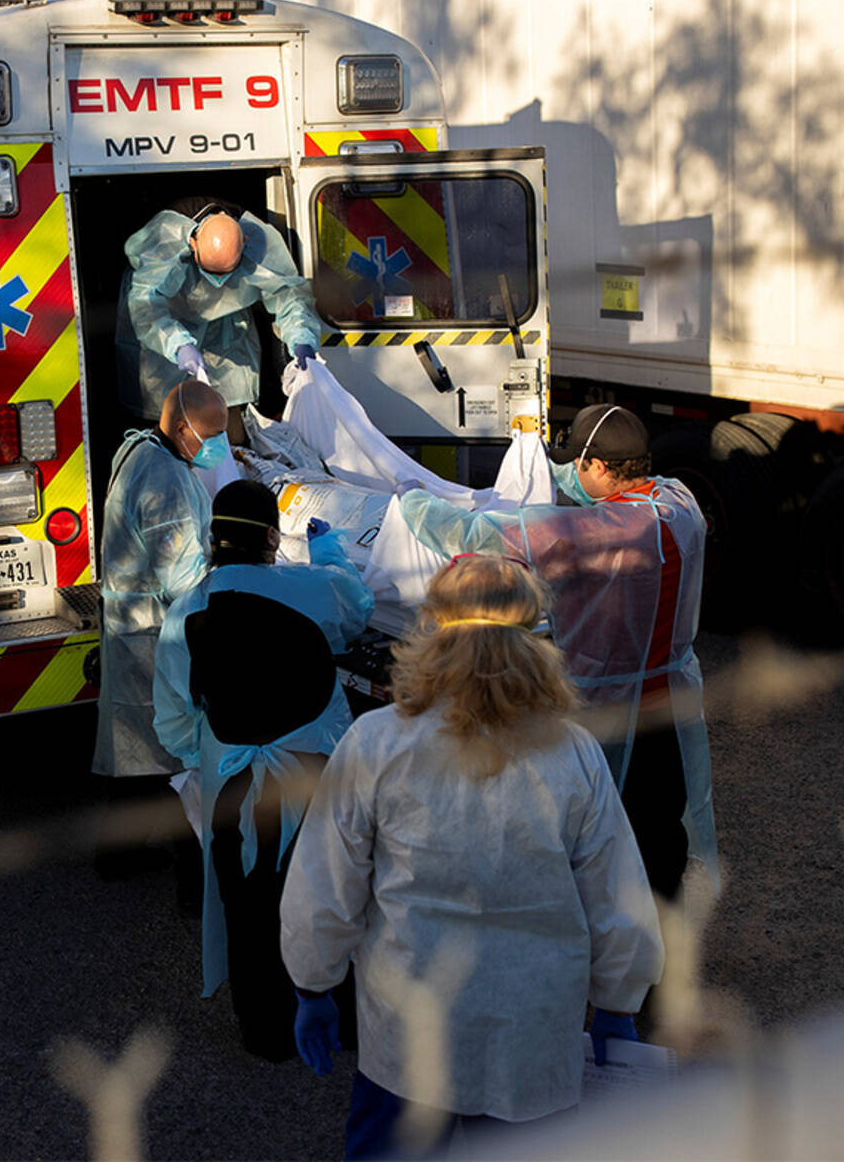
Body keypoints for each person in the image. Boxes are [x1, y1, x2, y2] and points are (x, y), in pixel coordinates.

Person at [281, 555, 664, 1159]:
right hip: (533, 1032)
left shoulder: (378, 741)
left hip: (408, 1032)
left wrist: (312, 985)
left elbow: (325, 884)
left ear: (431, 632)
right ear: (537, 641)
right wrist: (620, 1000)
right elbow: (616, 894)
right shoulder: (574, 753)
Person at [397, 403, 716, 901]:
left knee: (602, 827)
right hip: (672, 705)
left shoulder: (597, 534)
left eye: (578, 464)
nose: (570, 472)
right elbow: (600, 503)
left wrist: (413, 500)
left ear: (602, 469)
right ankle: (662, 937)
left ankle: (615, 945)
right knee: (661, 827)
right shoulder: (680, 505)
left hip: (605, 712)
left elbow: (476, 534)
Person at [153, 480, 374, 1060]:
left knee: (246, 905)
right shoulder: (315, 588)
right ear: (274, 538)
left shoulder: (186, 612)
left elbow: (173, 718)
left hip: (232, 783)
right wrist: (329, 552)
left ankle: (265, 1031)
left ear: (211, 539)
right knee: (328, 893)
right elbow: (358, 608)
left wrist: (204, 758)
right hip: (318, 778)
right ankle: (341, 1020)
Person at [92, 379, 228, 781]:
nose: (219, 444)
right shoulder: (165, 479)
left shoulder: (140, 448)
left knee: (140, 753)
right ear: (183, 429)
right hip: (149, 633)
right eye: (214, 435)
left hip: (130, 623)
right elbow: (183, 579)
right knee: (155, 759)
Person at [115, 203, 324, 440]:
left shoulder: (260, 244)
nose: (217, 282)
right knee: (173, 423)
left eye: (226, 274)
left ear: (244, 243)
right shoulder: (165, 244)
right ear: (193, 244)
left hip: (227, 333)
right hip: (165, 336)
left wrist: (301, 338)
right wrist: (177, 345)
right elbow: (146, 307)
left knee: (227, 424)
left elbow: (290, 297)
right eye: (210, 272)